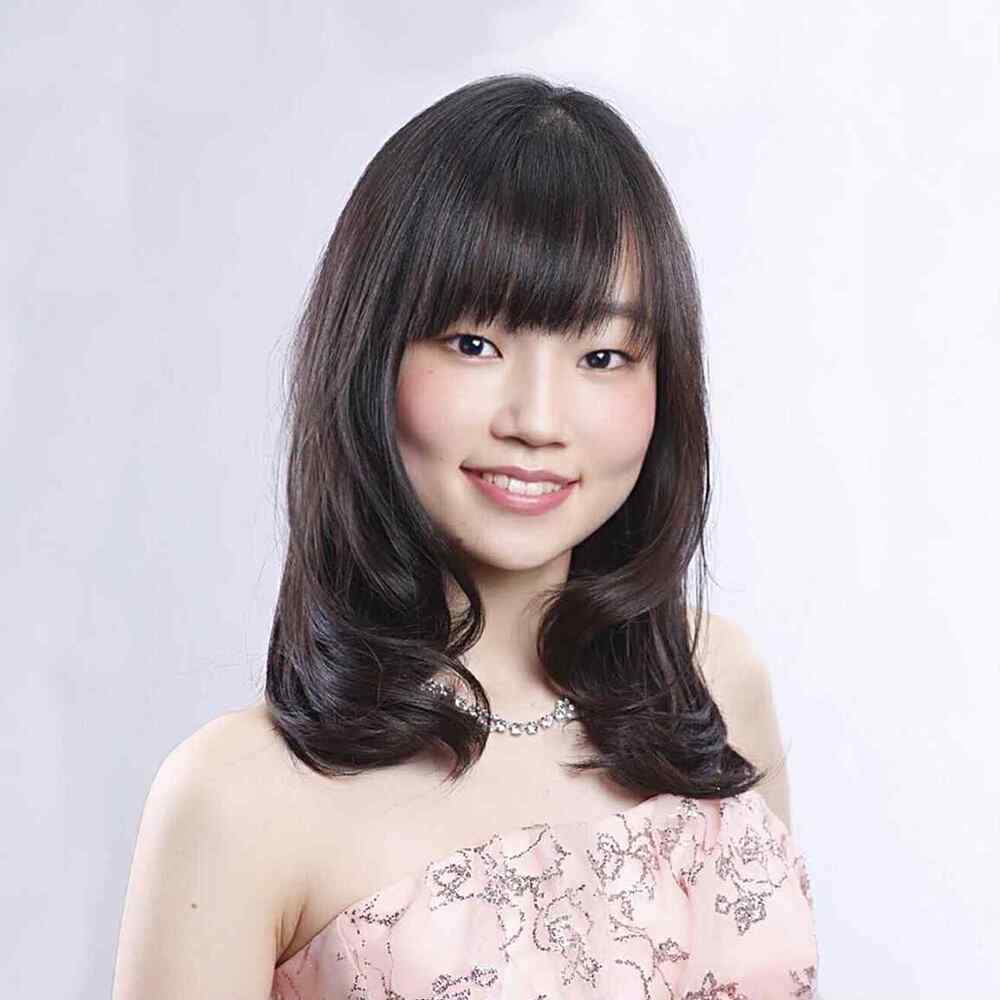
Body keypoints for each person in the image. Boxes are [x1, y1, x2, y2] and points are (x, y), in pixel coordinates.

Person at [112, 74, 819, 999]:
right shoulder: (235, 799)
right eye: (475, 343)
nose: (538, 419)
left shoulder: (714, 683)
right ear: (371, 356)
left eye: (603, 355)